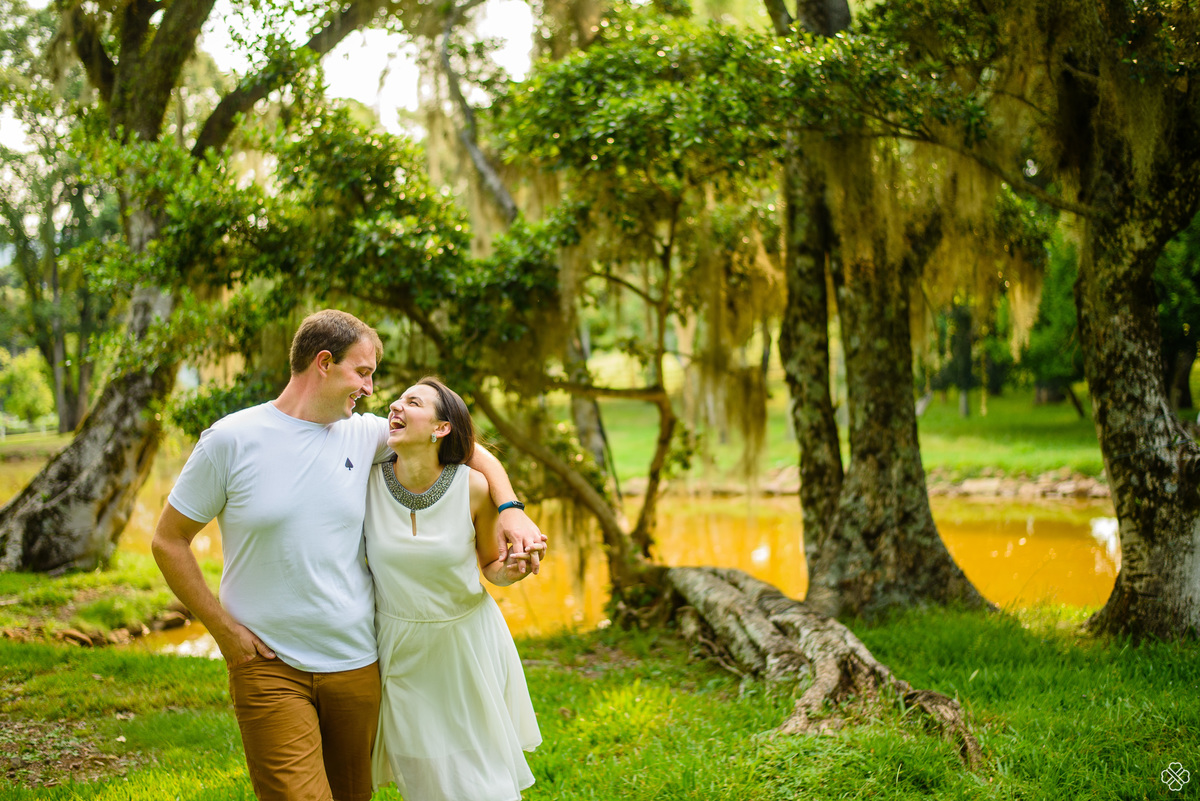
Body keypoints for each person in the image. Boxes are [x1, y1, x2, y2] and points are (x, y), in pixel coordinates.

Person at [152, 310, 545, 801]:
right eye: (363, 372)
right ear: (324, 363)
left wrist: (510, 509)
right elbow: (168, 540)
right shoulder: (231, 439)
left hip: (356, 662)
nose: (370, 389)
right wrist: (223, 630)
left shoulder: (365, 435)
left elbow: (465, 445)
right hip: (268, 662)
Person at [366, 377, 542, 801]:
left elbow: (491, 567)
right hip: (399, 648)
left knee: (482, 776)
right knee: (423, 776)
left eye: (413, 402)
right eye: (397, 400)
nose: (395, 406)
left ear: (441, 428)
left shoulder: (473, 487)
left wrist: (512, 570)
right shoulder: (366, 484)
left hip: (465, 644)